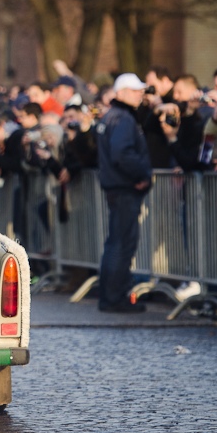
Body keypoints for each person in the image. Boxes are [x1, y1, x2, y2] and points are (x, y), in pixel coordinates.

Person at [95, 73, 153, 313]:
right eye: (134, 91)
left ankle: (110, 295)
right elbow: (122, 154)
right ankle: (114, 297)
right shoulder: (123, 119)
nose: (140, 95)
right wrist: (141, 175)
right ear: (121, 93)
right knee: (122, 243)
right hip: (124, 186)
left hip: (116, 185)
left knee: (115, 242)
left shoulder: (110, 117)